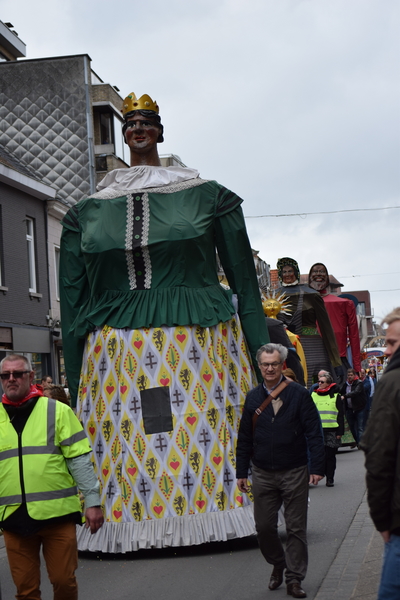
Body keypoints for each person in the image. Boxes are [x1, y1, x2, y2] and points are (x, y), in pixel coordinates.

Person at [60, 92, 269, 552]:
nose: (138, 129)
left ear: (159, 130)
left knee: (206, 426)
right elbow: (72, 303)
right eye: (130, 122)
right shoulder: (86, 213)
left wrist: (264, 356)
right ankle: (126, 523)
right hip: (114, 357)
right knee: (129, 437)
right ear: (123, 133)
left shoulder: (207, 196)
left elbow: (245, 288)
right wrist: (76, 381)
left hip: (203, 343)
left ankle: (224, 514)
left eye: (147, 122)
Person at [0, 354, 103, 600]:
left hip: (57, 515)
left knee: (63, 581)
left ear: (30, 376)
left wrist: (93, 501)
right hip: (13, 517)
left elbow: (78, 459)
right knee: (25, 590)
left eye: (17, 374)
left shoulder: (56, 411)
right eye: (5, 375)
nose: (11, 379)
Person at [236, 343, 324, 598]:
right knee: (264, 528)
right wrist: (242, 471)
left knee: (296, 528)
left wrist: (317, 466)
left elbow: (313, 432)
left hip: (294, 470)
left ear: (282, 365)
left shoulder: (298, 394)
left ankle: (294, 579)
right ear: (259, 366)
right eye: (265, 364)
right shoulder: (253, 397)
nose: (270, 368)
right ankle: (278, 562)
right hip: (262, 472)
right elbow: (244, 438)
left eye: (274, 364)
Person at [360, 307, 400, 600]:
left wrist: (382, 520)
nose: (386, 351)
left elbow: (379, 456)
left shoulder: (392, 382)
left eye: (392, 343)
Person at [275, 257, 343, 388]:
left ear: (296, 272)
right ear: (280, 274)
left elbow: (326, 328)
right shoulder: (272, 297)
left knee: (315, 383)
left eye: (290, 271)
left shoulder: (311, 295)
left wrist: (336, 362)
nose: (288, 274)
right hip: (284, 345)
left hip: (312, 346)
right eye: (284, 272)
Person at [308, 263, 361, 373]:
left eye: (322, 272)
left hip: (336, 361)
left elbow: (354, 335)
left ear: (327, 277)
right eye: (315, 272)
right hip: (310, 356)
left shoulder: (343, 304)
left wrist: (357, 367)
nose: (318, 274)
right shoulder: (303, 302)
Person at [311, 372, 344, 487]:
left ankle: (330, 477)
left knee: (330, 456)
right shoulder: (313, 395)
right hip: (317, 431)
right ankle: (320, 474)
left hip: (332, 431)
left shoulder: (336, 396)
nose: (319, 384)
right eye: (318, 381)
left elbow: (340, 415)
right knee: (319, 455)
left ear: (329, 384)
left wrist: (340, 432)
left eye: (322, 382)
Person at [340, 368, 366, 445]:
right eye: (348, 375)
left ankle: (360, 443)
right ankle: (356, 442)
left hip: (359, 407)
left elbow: (356, 392)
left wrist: (345, 396)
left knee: (359, 427)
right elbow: (340, 391)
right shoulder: (346, 384)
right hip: (350, 408)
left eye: (351, 375)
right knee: (351, 427)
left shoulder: (359, 383)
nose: (350, 376)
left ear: (354, 375)